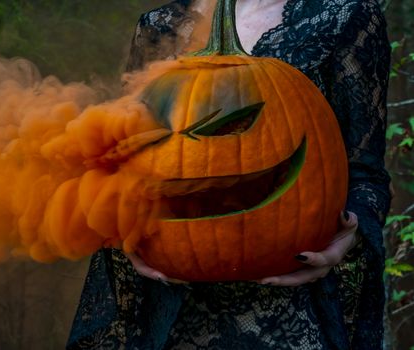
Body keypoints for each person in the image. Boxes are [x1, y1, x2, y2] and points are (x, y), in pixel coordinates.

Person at [67, 0, 392, 349]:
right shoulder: (158, 26)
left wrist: (349, 237)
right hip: (169, 308)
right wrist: (121, 228)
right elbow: (127, 153)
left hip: (287, 310)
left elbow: (365, 173)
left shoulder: (342, 18)